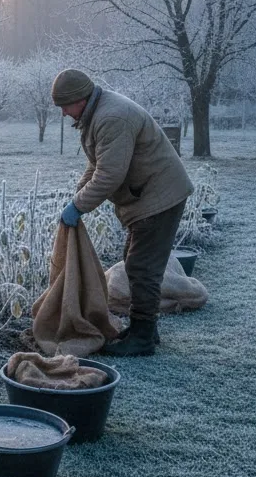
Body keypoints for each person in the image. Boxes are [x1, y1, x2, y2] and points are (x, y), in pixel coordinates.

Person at [53, 69, 193, 356]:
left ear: (80, 99)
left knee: (142, 268)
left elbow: (109, 174)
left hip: (159, 196)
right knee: (135, 262)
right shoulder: (97, 115)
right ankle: (145, 329)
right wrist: (77, 197)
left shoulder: (111, 118)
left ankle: (141, 338)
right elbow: (97, 163)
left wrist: (79, 206)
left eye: (65, 106)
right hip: (149, 193)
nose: (65, 113)